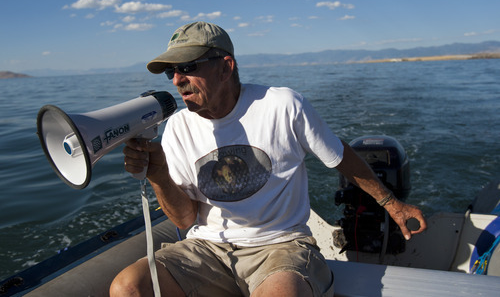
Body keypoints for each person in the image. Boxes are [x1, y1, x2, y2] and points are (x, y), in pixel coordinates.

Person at [110, 21, 427, 297]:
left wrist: (391, 204)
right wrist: (158, 173)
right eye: (171, 71)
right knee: (127, 287)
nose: (178, 79)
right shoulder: (178, 126)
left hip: (280, 245)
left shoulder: (282, 106)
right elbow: (184, 220)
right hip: (208, 246)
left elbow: (340, 156)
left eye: (189, 67)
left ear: (226, 67)